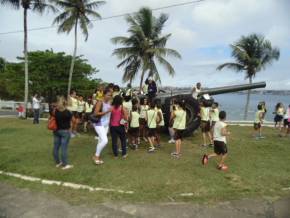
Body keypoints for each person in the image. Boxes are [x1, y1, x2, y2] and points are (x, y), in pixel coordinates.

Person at [92, 89, 112, 165]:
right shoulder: (100, 102)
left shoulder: (109, 102)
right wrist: (107, 111)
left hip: (106, 124)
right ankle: (96, 156)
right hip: (99, 123)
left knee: (100, 140)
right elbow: (95, 113)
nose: (110, 97)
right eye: (108, 95)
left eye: (110, 95)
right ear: (104, 95)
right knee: (105, 141)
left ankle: (97, 156)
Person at [52, 96, 73, 170]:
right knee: (64, 148)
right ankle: (65, 164)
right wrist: (70, 131)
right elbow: (71, 122)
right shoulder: (68, 112)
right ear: (65, 103)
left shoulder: (55, 111)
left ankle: (58, 162)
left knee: (56, 147)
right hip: (65, 131)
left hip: (56, 131)